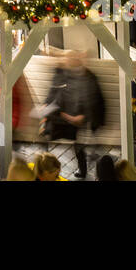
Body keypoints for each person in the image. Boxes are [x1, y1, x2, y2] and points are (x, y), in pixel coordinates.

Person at [41, 50, 104, 178]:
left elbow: (92, 99)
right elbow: (53, 90)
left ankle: (83, 169)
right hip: (63, 113)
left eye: (70, 58)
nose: (67, 60)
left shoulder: (87, 76)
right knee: (46, 132)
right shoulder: (61, 73)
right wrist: (46, 104)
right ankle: (46, 166)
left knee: (77, 144)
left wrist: (83, 117)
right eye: (66, 58)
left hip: (77, 116)